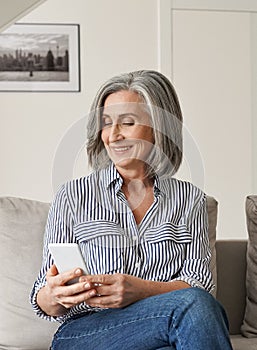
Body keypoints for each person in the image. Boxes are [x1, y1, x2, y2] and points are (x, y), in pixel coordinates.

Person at [30, 70, 233, 350]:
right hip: (86, 333)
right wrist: (55, 295)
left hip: (163, 329)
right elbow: (44, 297)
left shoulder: (190, 199)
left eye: (127, 122)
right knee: (193, 308)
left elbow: (199, 284)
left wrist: (141, 290)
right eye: (106, 123)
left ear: (159, 128)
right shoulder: (72, 196)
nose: (113, 136)